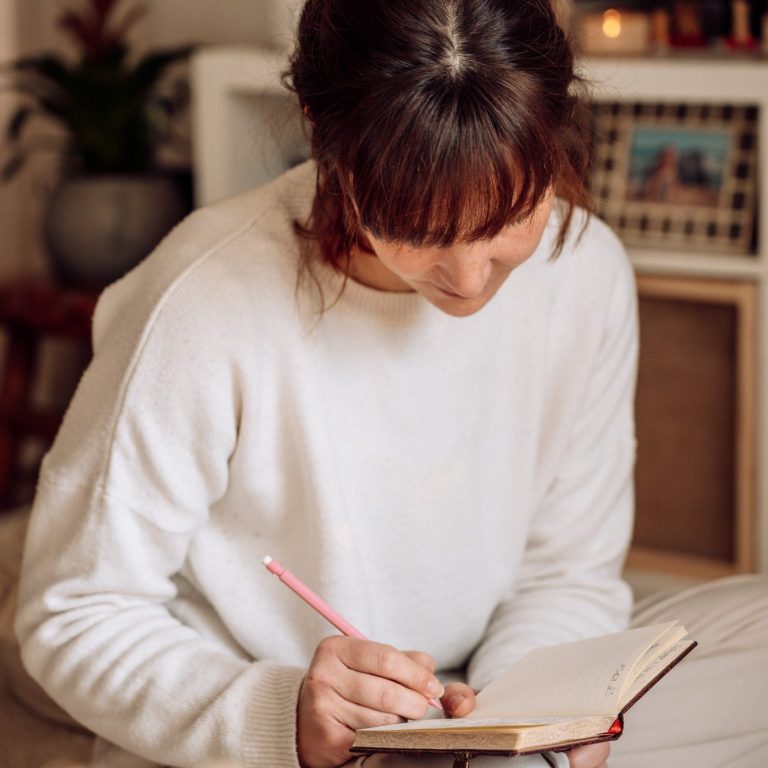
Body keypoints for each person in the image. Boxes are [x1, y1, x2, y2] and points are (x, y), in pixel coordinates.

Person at [13, 1, 768, 768]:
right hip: (279, 710)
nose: (471, 282)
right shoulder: (201, 303)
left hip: (475, 692)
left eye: (512, 216)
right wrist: (285, 718)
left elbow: (566, 573)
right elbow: (73, 614)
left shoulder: (587, 272)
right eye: (421, 231)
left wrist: (534, 720)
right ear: (322, 135)